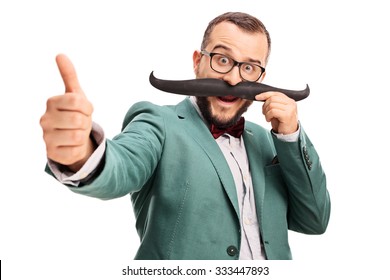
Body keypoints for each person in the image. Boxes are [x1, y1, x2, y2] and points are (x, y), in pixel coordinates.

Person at [40, 12, 330, 260]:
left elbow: (315, 220)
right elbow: (122, 167)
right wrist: (81, 154)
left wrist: (290, 137)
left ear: (261, 78)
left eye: (249, 67)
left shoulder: (269, 140)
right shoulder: (159, 122)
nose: (232, 79)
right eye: (222, 60)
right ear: (197, 62)